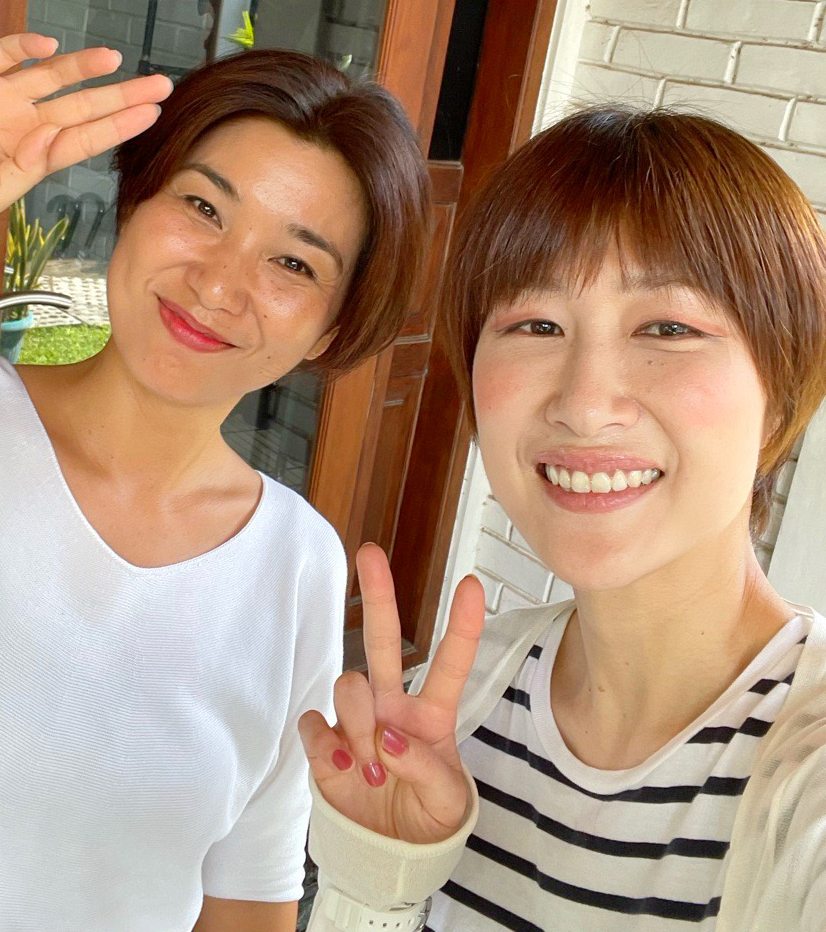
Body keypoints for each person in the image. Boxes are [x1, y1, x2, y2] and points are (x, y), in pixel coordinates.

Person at [0, 34, 430, 932]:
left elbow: (247, 903)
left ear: (329, 329)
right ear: (133, 202)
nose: (219, 282)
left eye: (294, 263)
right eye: (203, 207)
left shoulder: (295, 565)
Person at [300, 105, 826, 932]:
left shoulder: (807, 779)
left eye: (669, 327)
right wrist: (380, 882)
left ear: (781, 398)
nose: (583, 404)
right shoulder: (464, 701)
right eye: (536, 324)